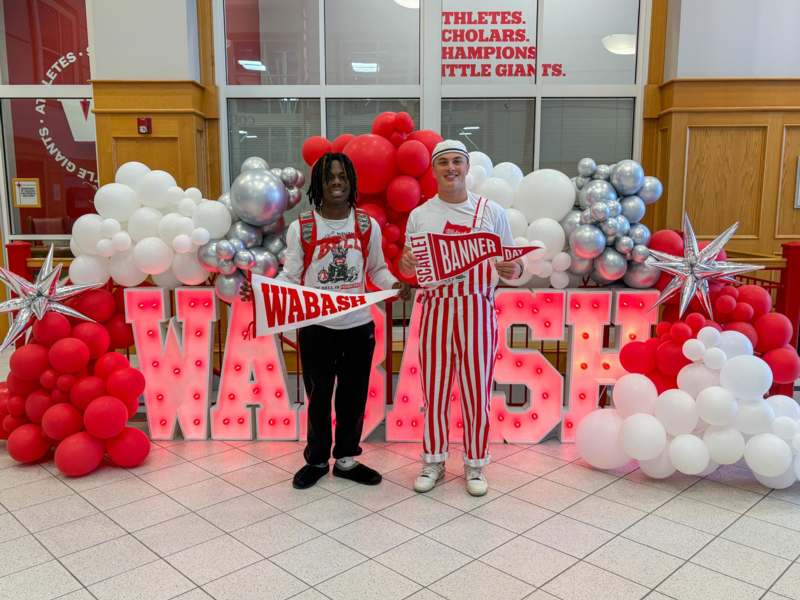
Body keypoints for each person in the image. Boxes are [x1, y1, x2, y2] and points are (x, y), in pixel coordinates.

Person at [279, 152, 411, 489]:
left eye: (342, 177)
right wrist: (266, 290)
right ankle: (318, 459)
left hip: (358, 327)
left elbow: (377, 270)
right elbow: (291, 276)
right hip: (316, 328)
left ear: (351, 182)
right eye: (328, 177)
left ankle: (348, 459)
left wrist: (394, 285)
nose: (336, 182)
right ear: (318, 185)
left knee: (353, 395)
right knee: (319, 395)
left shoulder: (367, 226)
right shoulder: (302, 227)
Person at [399, 140, 522, 496]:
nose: (451, 168)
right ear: (434, 169)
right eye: (443, 163)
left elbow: (515, 265)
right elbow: (411, 264)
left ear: (467, 168)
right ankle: (434, 460)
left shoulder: (492, 212)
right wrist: (407, 265)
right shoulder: (421, 214)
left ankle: (475, 464)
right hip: (436, 306)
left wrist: (513, 266)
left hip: (477, 308)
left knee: (476, 391)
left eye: (457, 161)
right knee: (434, 390)